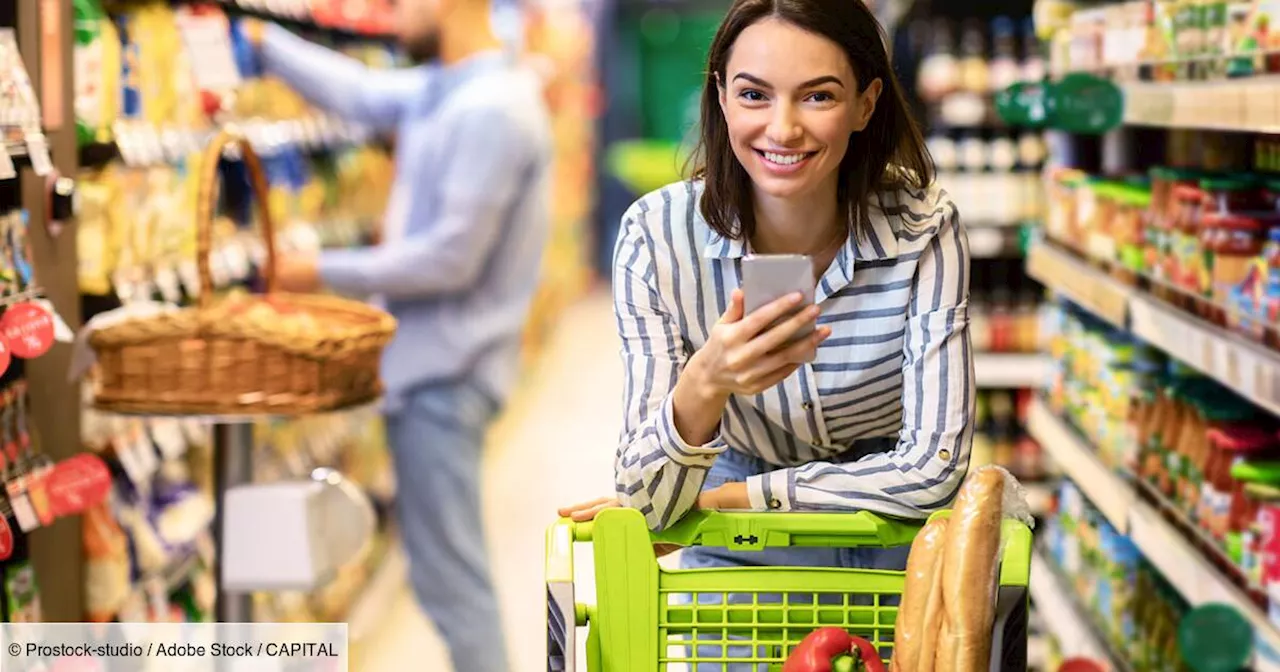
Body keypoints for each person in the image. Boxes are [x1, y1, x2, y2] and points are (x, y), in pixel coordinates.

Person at [559, 0, 971, 613]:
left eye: (818, 97)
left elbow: (934, 468)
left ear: (866, 103)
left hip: (893, 541)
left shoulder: (923, 231)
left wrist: (733, 496)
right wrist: (708, 378)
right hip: (735, 553)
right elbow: (646, 505)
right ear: (721, 95)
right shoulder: (657, 237)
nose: (782, 129)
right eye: (754, 95)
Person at [243, 2, 552, 670]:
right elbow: (359, 93)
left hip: (448, 378)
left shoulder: (494, 110)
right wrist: (261, 37)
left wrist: (318, 271)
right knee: (443, 575)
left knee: (453, 584)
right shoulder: (449, 88)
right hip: (428, 371)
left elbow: (450, 259)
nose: (391, 14)